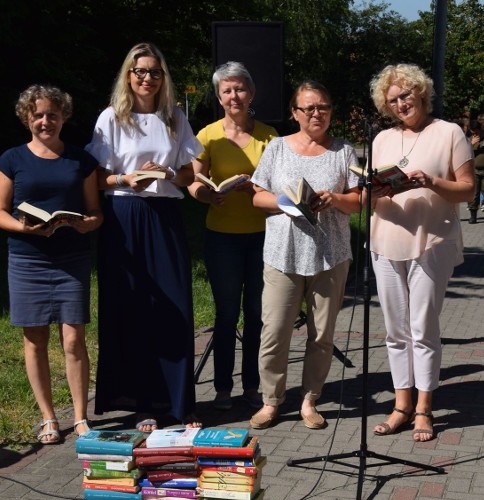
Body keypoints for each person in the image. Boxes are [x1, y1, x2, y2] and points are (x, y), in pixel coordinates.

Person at [85, 42, 203, 432]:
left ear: (163, 77)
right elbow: (97, 176)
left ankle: (178, 401)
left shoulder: (174, 117)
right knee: (133, 307)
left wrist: (168, 175)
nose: (147, 78)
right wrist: (127, 178)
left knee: (175, 304)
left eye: (154, 71)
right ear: (128, 76)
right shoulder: (111, 118)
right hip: (125, 215)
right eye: (140, 72)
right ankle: (141, 401)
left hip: (165, 215)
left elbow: (187, 173)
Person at [367, 64, 474, 442]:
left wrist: (432, 182)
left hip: (431, 243)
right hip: (385, 240)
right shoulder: (380, 139)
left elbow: (468, 190)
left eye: (406, 95)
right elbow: (366, 192)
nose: (401, 104)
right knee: (395, 332)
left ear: (421, 93)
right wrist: (375, 191)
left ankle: (425, 408)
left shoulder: (448, 132)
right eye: (393, 99)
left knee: (422, 329)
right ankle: (400, 406)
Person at [247, 80, 361, 430]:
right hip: (283, 254)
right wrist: (286, 203)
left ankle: (310, 399)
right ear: (295, 113)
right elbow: (256, 195)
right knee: (275, 331)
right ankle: (271, 401)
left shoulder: (343, 151)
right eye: (308, 108)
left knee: (322, 334)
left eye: (323, 107)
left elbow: (357, 202)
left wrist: (335, 200)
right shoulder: (278, 148)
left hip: (330, 255)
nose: (317, 114)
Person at [0, 85, 103, 444]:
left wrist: (88, 223)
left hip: (72, 257)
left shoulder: (80, 160)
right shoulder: (11, 159)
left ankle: (81, 416)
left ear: (63, 117)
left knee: (74, 339)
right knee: (35, 338)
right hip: (28, 258)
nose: (45, 121)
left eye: (52, 115)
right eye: (38, 115)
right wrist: (26, 228)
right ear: (27, 117)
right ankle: (48, 418)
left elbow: (95, 212)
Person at [187, 62, 278, 411]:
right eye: (227, 90)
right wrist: (208, 194)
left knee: (256, 314)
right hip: (221, 236)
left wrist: (255, 187)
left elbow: (279, 182)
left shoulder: (270, 135)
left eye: (240, 88)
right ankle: (223, 388)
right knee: (226, 315)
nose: (234, 96)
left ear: (251, 93)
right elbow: (194, 180)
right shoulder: (207, 135)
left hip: (263, 236)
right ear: (218, 95)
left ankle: (252, 387)